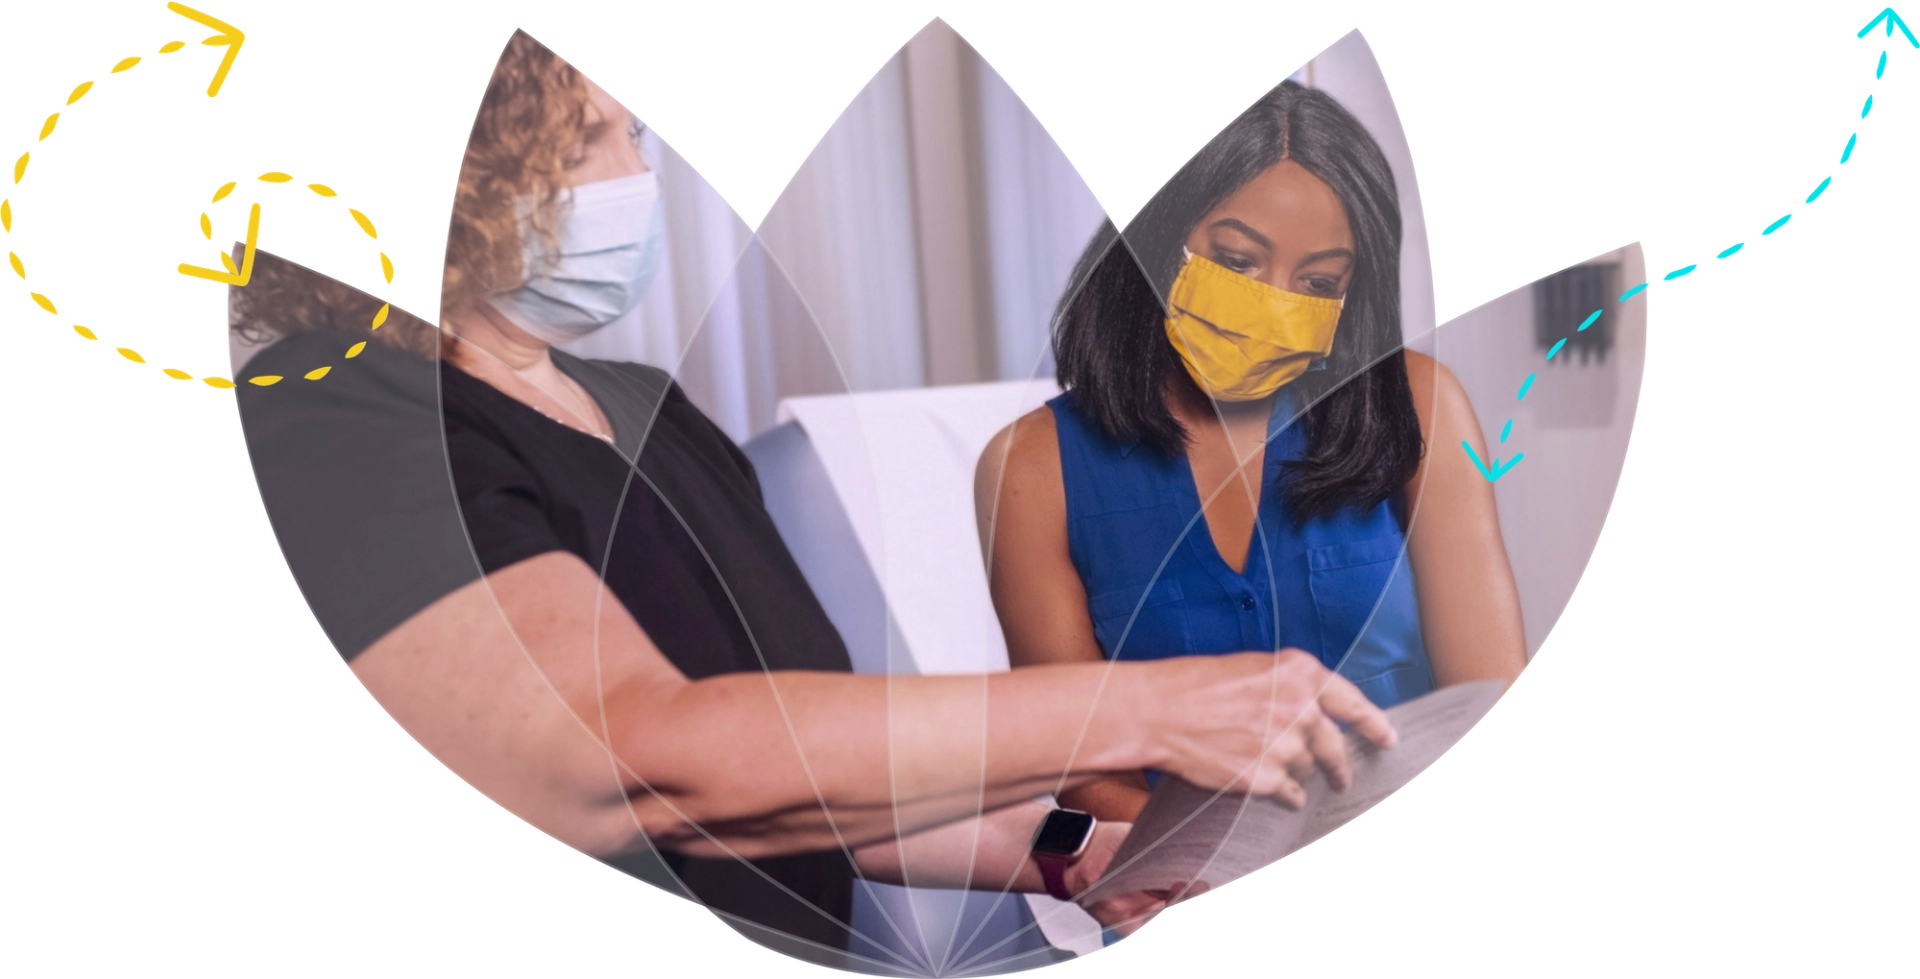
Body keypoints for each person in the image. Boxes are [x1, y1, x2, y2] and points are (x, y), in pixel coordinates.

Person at [230, 32, 1400, 974]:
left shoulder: (645, 406)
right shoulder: (340, 419)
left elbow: (798, 777)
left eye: (637, 138)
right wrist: (1139, 711)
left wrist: (1074, 852)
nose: (638, 176)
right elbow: (620, 767)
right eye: (592, 137)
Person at [976, 81, 1528, 828]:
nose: (1274, 305)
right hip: (1177, 887)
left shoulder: (1422, 407)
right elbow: (1084, 776)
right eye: (1237, 261)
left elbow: (1489, 702)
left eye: (1318, 283)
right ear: (1154, 238)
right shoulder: (1030, 467)